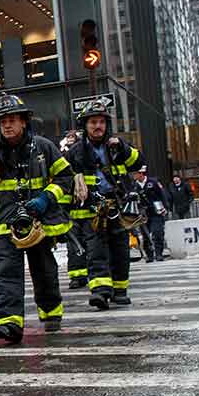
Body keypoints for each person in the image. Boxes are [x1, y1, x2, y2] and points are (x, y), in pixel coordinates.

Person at [0, 94, 72, 343]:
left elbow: (65, 177)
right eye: (2, 121)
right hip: (5, 225)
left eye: (12, 119)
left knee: (44, 271)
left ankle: (51, 315)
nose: (7, 125)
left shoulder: (44, 148)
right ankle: (9, 323)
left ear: (24, 121)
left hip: (38, 224)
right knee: (5, 274)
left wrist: (46, 198)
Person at [63, 100, 146, 309]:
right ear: (85, 125)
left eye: (101, 121)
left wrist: (124, 148)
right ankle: (100, 291)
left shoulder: (117, 146)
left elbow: (138, 162)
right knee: (96, 251)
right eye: (93, 122)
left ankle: (120, 291)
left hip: (116, 206)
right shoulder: (75, 152)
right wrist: (65, 212)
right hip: (91, 209)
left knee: (120, 250)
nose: (97, 126)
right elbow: (65, 182)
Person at [60, 128, 89, 289]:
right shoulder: (65, 161)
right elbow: (64, 185)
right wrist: (62, 210)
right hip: (73, 212)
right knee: (74, 244)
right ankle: (77, 276)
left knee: (93, 244)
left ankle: (94, 273)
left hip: (91, 210)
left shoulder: (88, 156)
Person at [134, 166, 169, 262]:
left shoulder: (153, 182)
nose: (134, 176)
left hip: (155, 211)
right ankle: (149, 255)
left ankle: (159, 254)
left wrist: (165, 207)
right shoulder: (134, 186)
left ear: (141, 173)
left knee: (157, 232)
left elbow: (162, 195)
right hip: (143, 213)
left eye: (135, 174)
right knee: (145, 235)